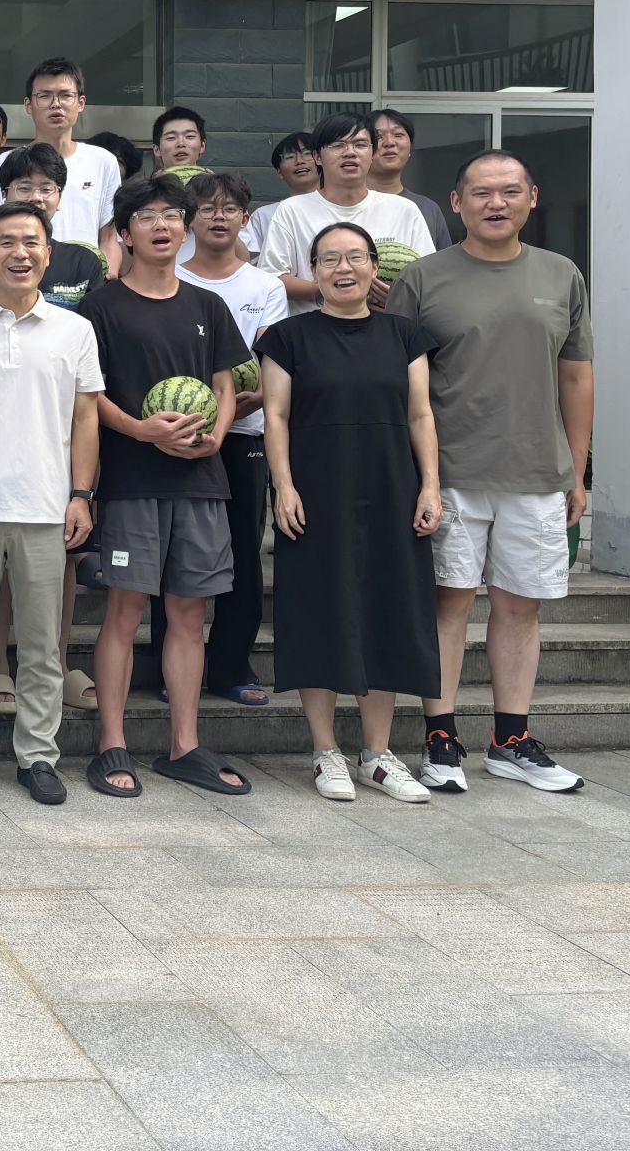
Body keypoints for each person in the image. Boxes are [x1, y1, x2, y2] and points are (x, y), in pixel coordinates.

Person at [389, 149, 592, 794]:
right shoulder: (422, 278)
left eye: (508, 191)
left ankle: (511, 739)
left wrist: (577, 470)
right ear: (457, 203)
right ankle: (440, 737)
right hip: (449, 471)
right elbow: (398, 382)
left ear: (532, 197)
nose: (495, 203)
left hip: (537, 472)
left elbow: (576, 375)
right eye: (480, 192)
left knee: (520, 606)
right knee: (448, 603)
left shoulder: (561, 274)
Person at [78, 174, 250, 798]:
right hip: (132, 481)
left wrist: (215, 434)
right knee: (125, 609)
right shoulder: (100, 307)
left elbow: (228, 383)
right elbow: (88, 395)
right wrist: (142, 431)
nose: (162, 225)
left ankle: (185, 746)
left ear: (185, 228)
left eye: (172, 215)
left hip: (201, 480)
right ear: (124, 234)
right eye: (147, 216)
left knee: (188, 612)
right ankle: (111, 744)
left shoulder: (207, 306)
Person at [257, 222, 440, 804]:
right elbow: (276, 416)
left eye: (355, 257)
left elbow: (420, 415)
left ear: (374, 267)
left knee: (388, 611)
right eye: (330, 259)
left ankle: (378, 755)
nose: (344, 268)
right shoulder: (287, 338)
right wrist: (283, 486)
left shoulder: (404, 335)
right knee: (319, 609)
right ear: (313, 270)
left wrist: (430, 486)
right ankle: (325, 750)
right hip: (316, 490)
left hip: (391, 488)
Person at [0, 201, 101, 804]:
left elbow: (86, 418)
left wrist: (80, 494)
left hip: (46, 506)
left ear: (48, 255)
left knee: (41, 645)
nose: (19, 253)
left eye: (31, 242)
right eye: (6, 242)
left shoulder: (74, 330)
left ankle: (38, 755)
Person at [146, 173, 285, 706]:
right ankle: (169, 668)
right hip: (175, 436)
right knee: (172, 556)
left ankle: (231, 667)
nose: (218, 217)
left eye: (230, 209)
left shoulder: (264, 287)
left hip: (243, 434)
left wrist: (227, 414)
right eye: (206, 208)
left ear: (246, 220)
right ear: (189, 222)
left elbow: (268, 365)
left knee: (242, 554)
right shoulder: (170, 279)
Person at [259, 112, 432, 315]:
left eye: (360, 144)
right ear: (317, 157)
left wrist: (399, 298)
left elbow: (427, 278)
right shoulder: (292, 210)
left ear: (372, 153)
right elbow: (271, 278)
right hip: (314, 329)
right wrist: (331, 290)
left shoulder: (404, 210)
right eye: (338, 145)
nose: (350, 152)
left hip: (386, 328)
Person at [0, 59, 123, 274]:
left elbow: (109, 238)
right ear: (28, 105)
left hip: (85, 279)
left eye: (65, 95)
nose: (56, 104)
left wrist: (104, 280)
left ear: (81, 103)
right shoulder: (3, 164)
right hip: (21, 273)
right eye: (44, 96)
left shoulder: (103, 161)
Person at [0, 143, 105, 311]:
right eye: (24, 188)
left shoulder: (83, 262)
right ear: (4, 195)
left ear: (59, 198)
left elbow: (86, 324)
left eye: (46, 189)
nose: (36, 197)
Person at [369, 108, 455, 250]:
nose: (389, 142)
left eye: (398, 135)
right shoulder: (348, 205)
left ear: (410, 149)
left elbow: (443, 262)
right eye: (378, 136)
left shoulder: (428, 209)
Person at [249, 131, 319, 253]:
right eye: (289, 157)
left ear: (321, 161)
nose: (299, 161)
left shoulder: (340, 208)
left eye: (307, 153)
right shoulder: (264, 216)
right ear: (279, 172)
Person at [151, 107, 206, 172]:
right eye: (171, 137)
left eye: (189, 136)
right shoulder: (152, 179)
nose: (181, 144)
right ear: (157, 150)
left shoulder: (213, 178)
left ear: (202, 146)